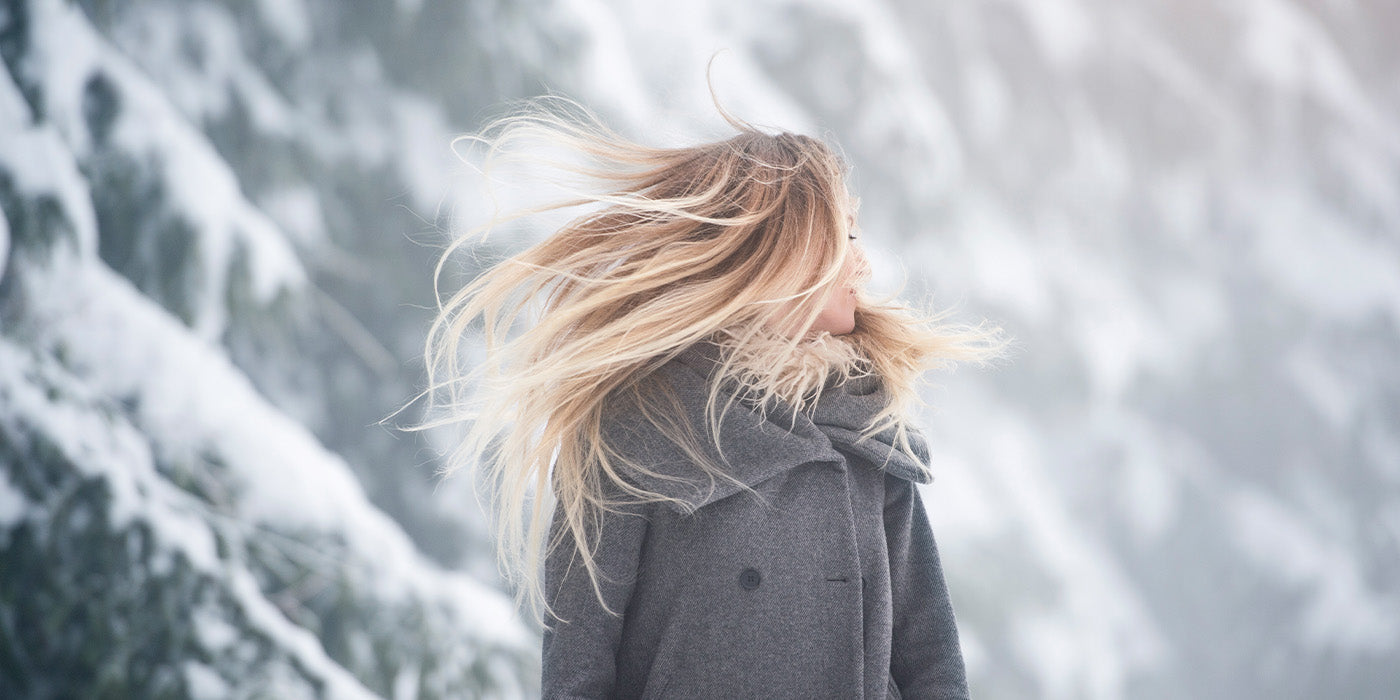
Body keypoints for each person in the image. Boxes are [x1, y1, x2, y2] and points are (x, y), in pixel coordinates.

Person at [416, 94, 1008, 699]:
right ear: (786, 251)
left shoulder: (868, 426)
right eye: (845, 234)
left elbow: (929, 652)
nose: (862, 262)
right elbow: (579, 658)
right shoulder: (639, 424)